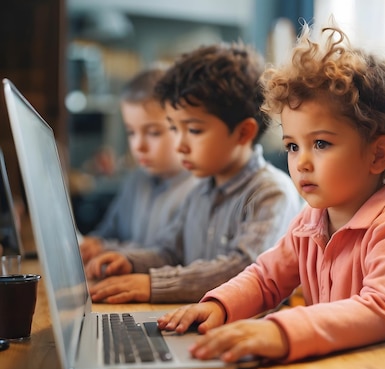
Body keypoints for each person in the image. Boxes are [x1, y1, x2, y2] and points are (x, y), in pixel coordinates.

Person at [157, 23, 385, 364]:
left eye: (321, 144)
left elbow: (378, 310)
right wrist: (218, 305)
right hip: (347, 367)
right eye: (293, 146)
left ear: (378, 155)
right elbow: (266, 277)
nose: (302, 163)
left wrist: (280, 331)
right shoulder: (309, 223)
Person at [84, 43, 302, 304]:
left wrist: (155, 284)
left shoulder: (271, 192)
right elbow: (169, 252)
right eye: (175, 129)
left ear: (243, 133)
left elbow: (244, 268)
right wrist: (130, 262)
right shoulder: (201, 190)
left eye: (194, 130)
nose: (180, 145)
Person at [79, 69, 198, 263]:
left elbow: (165, 257)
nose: (138, 146)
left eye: (153, 133)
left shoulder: (199, 190)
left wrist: (107, 249)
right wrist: (94, 243)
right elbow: (108, 233)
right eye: (131, 132)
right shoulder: (136, 180)